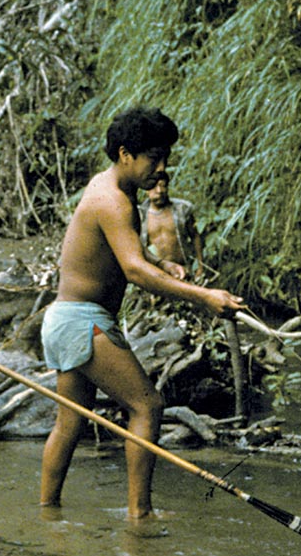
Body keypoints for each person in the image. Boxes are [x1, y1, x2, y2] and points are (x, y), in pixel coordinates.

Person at [39, 107, 245, 522]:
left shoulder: (108, 186)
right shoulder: (113, 200)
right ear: (125, 154)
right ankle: (141, 516)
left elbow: (129, 252)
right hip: (83, 321)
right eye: (154, 157)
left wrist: (161, 262)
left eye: (165, 157)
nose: (162, 168)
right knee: (147, 406)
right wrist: (204, 296)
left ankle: (47, 512)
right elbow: (133, 271)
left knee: (69, 424)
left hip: (65, 318)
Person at [139, 170, 204, 281]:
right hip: (157, 276)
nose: (159, 191)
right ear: (146, 190)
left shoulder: (182, 209)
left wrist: (200, 266)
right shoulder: (139, 216)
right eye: (154, 187)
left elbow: (195, 236)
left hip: (185, 271)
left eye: (163, 186)